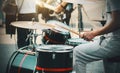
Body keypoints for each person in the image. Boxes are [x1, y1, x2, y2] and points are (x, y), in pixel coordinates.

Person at [73, 0, 120, 73]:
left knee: (78, 52)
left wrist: (93, 34)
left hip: (115, 41)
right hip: (114, 39)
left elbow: (117, 22)